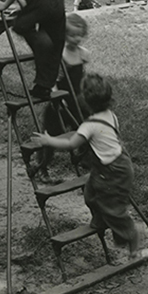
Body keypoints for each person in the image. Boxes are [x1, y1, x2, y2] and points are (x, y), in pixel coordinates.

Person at [29, 74, 141, 257]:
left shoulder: (89, 126)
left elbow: (70, 144)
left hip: (113, 171)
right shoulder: (110, 115)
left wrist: (48, 140)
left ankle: (132, 237)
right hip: (114, 165)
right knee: (90, 194)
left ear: (85, 101)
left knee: (113, 207)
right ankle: (100, 219)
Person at [35, 13, 93, 181]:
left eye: (79, 35)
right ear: (64, 34)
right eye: (71, 35)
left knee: (86, 129)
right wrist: (54, 95)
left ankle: (85, 160)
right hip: (59, 103)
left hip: (78, 101)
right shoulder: (61, 55)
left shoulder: (83, 54)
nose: (75, 39)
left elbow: (83, 76)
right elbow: (52, 77)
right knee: (51, 135)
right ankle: (42, 167)